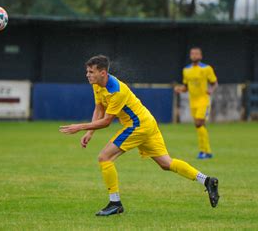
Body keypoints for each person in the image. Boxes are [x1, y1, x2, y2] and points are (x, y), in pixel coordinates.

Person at [59, 55, 219, 216]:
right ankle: (206, 180)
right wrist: (89, 132)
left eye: (91, 72)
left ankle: (115, 203)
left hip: (138, 125)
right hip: (147, 122)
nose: (87, 75)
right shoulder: (97, 85)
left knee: (104, 158)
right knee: (166, 163)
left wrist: (79, 126)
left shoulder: (116, 90)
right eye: (87, 71)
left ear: (102, 73)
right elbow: (99, 109)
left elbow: (107, 121)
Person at [174, 47, 218, 159]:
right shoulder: (186, 70)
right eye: (192, 54)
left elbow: (214, 83)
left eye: (196, 54)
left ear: (200, 56)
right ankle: (207, 151)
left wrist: (211, 91)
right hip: (192, 102)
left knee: (199, 123)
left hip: (203, 100)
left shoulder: (207, 68)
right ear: (190, 56)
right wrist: (179, 89)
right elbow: (186, 87)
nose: (194, 55)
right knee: (199, 126)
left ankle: (203, 151)